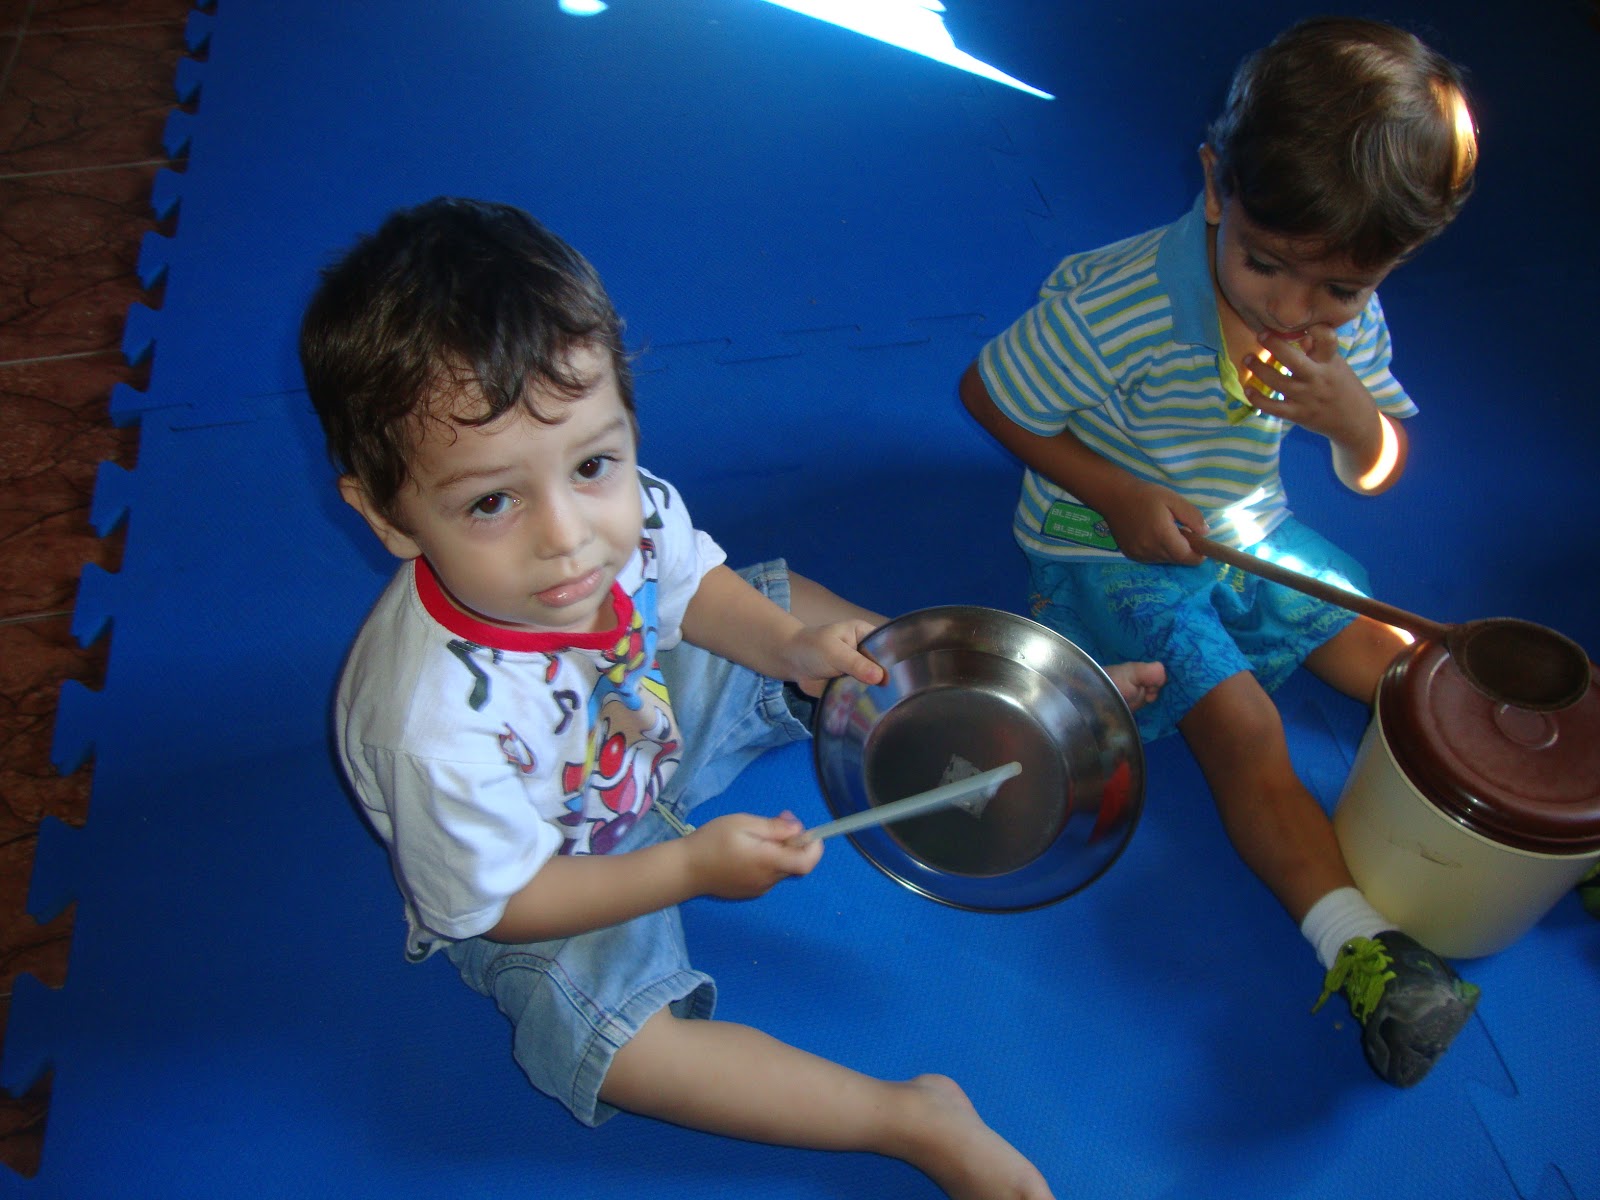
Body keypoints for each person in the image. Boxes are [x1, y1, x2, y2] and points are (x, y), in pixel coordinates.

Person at [301, 197, 1159, 1196]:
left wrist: (791, 647)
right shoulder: (434, 729)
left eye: (593, 464)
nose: (569, 537)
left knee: (782, 610)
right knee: (603, 1044)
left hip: (645, 717)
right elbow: (509, 907)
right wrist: (688, 870)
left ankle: (1006, 699)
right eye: (491, 502)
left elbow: (694, 591)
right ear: (389, 516)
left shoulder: (619, 513)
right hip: (552, 861)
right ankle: (908, 1119)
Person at [958, 17, 1482, 1089]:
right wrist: (1114, 493)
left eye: (1335, 288)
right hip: (1104, 548)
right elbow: (989, 395)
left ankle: (1554, 830)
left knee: (1397, 658)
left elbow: (1376, 469)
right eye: (1265, 264)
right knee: (1240, 724)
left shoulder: (1352, 321)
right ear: (1213, 186)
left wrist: (1353, 421)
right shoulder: (1121, 304)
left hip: (1243, 532)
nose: (1293, 309)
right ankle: (1360, 948)